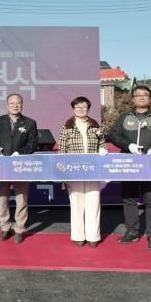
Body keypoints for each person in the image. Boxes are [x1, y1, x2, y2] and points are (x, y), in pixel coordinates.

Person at [107, 85, 151, 251]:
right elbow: (113, 135)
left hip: (150, 165)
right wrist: (128, 146)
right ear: (133, 99)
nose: (142, 97)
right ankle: (132, 231)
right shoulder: (124, 118)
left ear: (150, 99)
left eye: (145, 95)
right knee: (129, 198)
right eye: (138, 95)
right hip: (129, 164)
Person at [58, 96, 108, 248]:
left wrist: (103, 149)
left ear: (88, 109)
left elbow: (102, 143)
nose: (81, 109)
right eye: (78, 107)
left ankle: (93, 236)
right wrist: (63, 173)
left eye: (84, 107)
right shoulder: (67, 126)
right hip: (74, 171)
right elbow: (62, 150)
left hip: (93, 170)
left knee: (94, 202)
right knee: (77, 204)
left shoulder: (95, 125)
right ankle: (78, 235)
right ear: (73, 109)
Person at [0, 93, 38, 244]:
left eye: (18, 103)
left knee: (21, 198)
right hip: (3, 165)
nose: (15, 105)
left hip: (21, 165)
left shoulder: (30, 123)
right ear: (7, 105)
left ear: (22, 105)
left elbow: (32, 144)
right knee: (2, 197)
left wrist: (20, 153)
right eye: (12, 103)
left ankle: (19, 228)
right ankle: (5, 227)